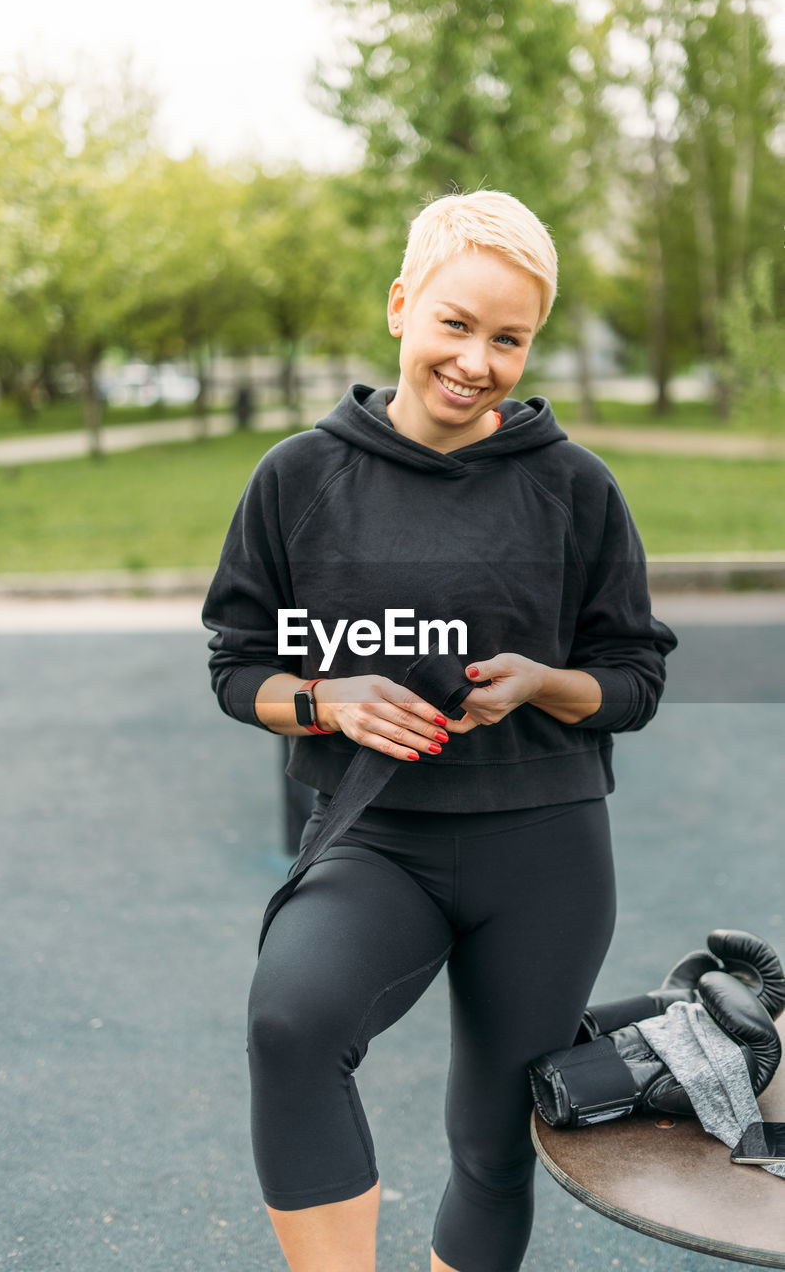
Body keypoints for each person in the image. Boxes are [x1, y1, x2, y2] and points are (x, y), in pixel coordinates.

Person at [202, 189, 677, 1272]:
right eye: (456, 324)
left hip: (545, 849)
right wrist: (330, 698)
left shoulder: (575, 488)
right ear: (401, 305)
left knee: (493, 1145)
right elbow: (239, 668)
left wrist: (546, 682)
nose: (477, 359)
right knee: (291, 1024)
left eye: (508, 338)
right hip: (380, 837)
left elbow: (635, 676)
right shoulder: (298, 478)